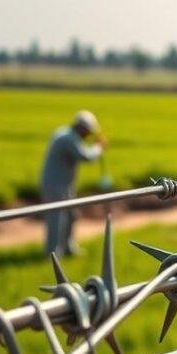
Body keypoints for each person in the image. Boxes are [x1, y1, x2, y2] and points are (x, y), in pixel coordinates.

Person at [40, 110, 106, 257]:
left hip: (64, 184)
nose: (88, 136)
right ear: (82, 128)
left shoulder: (66, 134)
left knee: (70, 215)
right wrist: (99, 148)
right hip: (55, 185)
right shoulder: (68, 139)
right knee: (56, 219)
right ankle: (52, 254)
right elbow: (85, 156)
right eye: (88, 132)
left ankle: (68, 247)